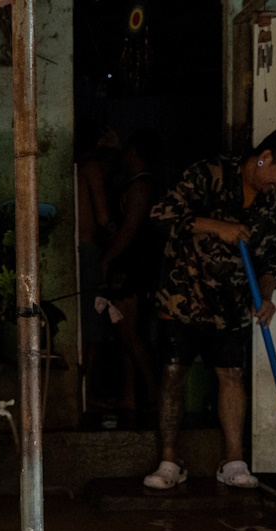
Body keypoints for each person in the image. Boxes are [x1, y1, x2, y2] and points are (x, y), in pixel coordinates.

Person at [144, 124, 276, 490]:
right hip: (183, 297)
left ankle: (233, 460)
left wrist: (267, 295)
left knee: (231, 375)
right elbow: (160, 216)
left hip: (232, 304)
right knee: (173, 372)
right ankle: (169, 461)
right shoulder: (209, 174)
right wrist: (217, 226)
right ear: (265, 158)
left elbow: (275, 259)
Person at [98, 130, 161, 424]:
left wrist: (108, 257)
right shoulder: (138, 184)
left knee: (129, 333)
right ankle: (130, 396)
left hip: (133, 269)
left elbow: (129, 230)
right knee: (125, 333)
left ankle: (152, 394)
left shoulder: (141, 185)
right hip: (132, 266)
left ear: (135, 152)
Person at [75, 126, 122, 410]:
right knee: (93, 325)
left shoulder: (77, 168)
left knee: (86, 322)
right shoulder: (91, 168)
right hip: (88, 250)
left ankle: (81, 394)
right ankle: (87, 394)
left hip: (79, 250)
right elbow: (103, 217)